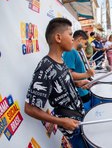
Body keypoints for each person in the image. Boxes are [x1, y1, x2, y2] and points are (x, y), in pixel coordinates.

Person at [24, 18, 91, 148]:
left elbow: (63, 83)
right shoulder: (45, 67)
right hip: (70, 127)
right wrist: (61, 121)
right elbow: (30, 108)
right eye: (70, 34)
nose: (73, 39)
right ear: (58, 38)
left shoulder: (61, 60)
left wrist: (78, 84)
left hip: (80, 117)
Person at [63, 30, 95, 112]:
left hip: (83, 90)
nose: (85, 46)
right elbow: (68, 74)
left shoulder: (76, 51)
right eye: (85, 43)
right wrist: (87, 74)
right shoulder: (70, 51)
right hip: (80, 92)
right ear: (80, 39)